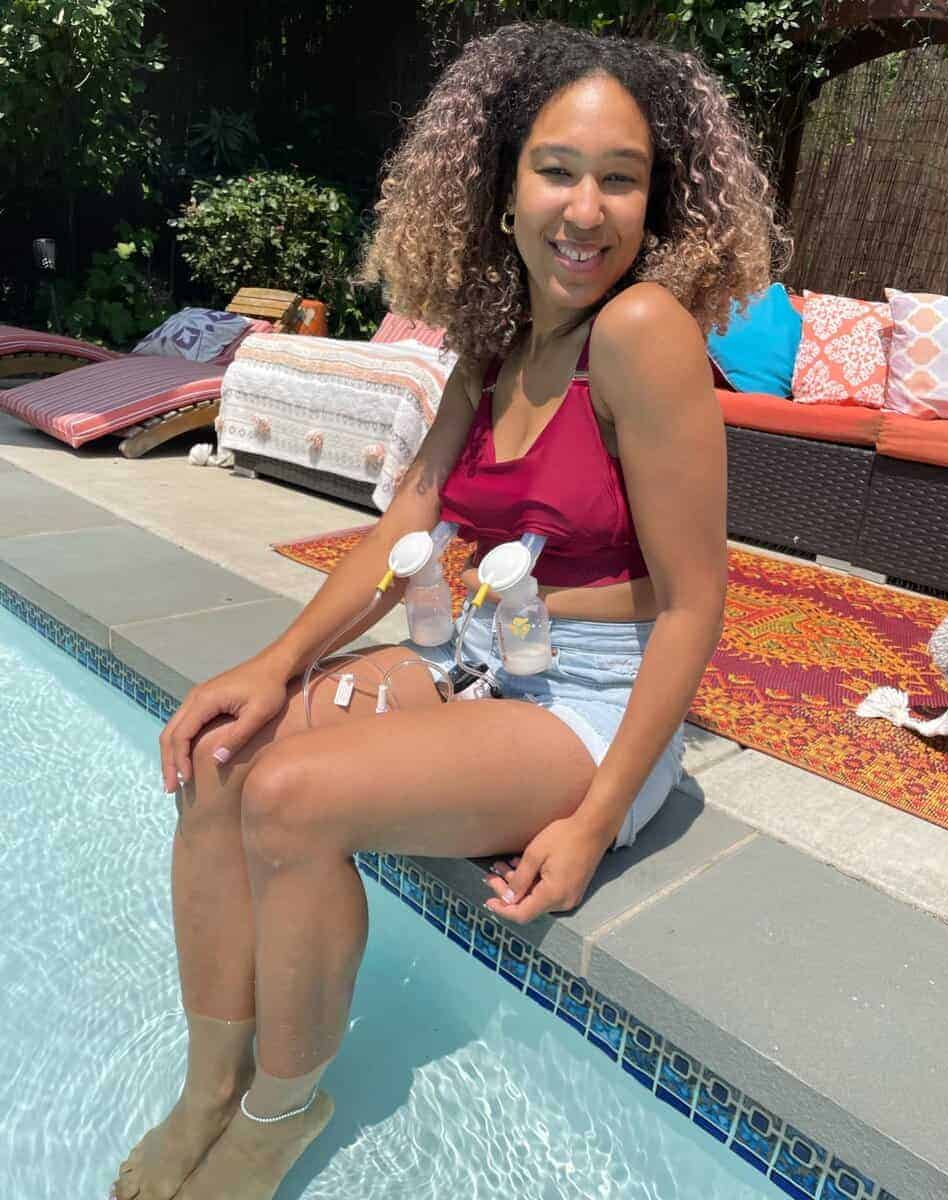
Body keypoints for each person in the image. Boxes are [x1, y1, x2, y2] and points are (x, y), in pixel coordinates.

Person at [111, 19, 786, 1200]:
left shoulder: (642, 335)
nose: (586, 210)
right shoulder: (494, 343)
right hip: (480, 656)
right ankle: (211, 1084)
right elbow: (404, 526)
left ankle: (281, 1110)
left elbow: (694, 605)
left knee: (291, 798)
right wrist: (273, 664)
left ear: (659, 201)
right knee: (221, 758)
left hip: (590, 703)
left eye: (621, 179)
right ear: (502, 188)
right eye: (557, 170)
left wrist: (597, 820)